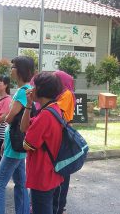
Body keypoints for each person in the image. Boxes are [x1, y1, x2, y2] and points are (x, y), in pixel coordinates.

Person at [0, 56, 34, 214]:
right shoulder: (25, 90)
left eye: (13, 67)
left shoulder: (22, 92)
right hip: (15, 144)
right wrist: (4, 141)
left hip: (14, 148)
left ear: (20, 71)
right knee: (21, 184)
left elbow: (9, 118)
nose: (11, 70)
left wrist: (9, 115)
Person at [21, 72, 64, 214]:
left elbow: (27, 144)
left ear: (40, 89)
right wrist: (28, 105)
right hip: (53, 173)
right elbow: (24, 127)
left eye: (34, 86)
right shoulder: (53, 109)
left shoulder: (45, 116)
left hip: (42, 177)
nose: (32, 89)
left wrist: (29, 137)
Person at [53, 70, 76, 214]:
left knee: (63, 172)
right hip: (58, 134)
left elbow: (56, 111)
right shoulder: (60, 94)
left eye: (55, 80)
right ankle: (57, 204)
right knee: (57, 171)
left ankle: (60, 206)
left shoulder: (67, 94)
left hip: (63, 135)